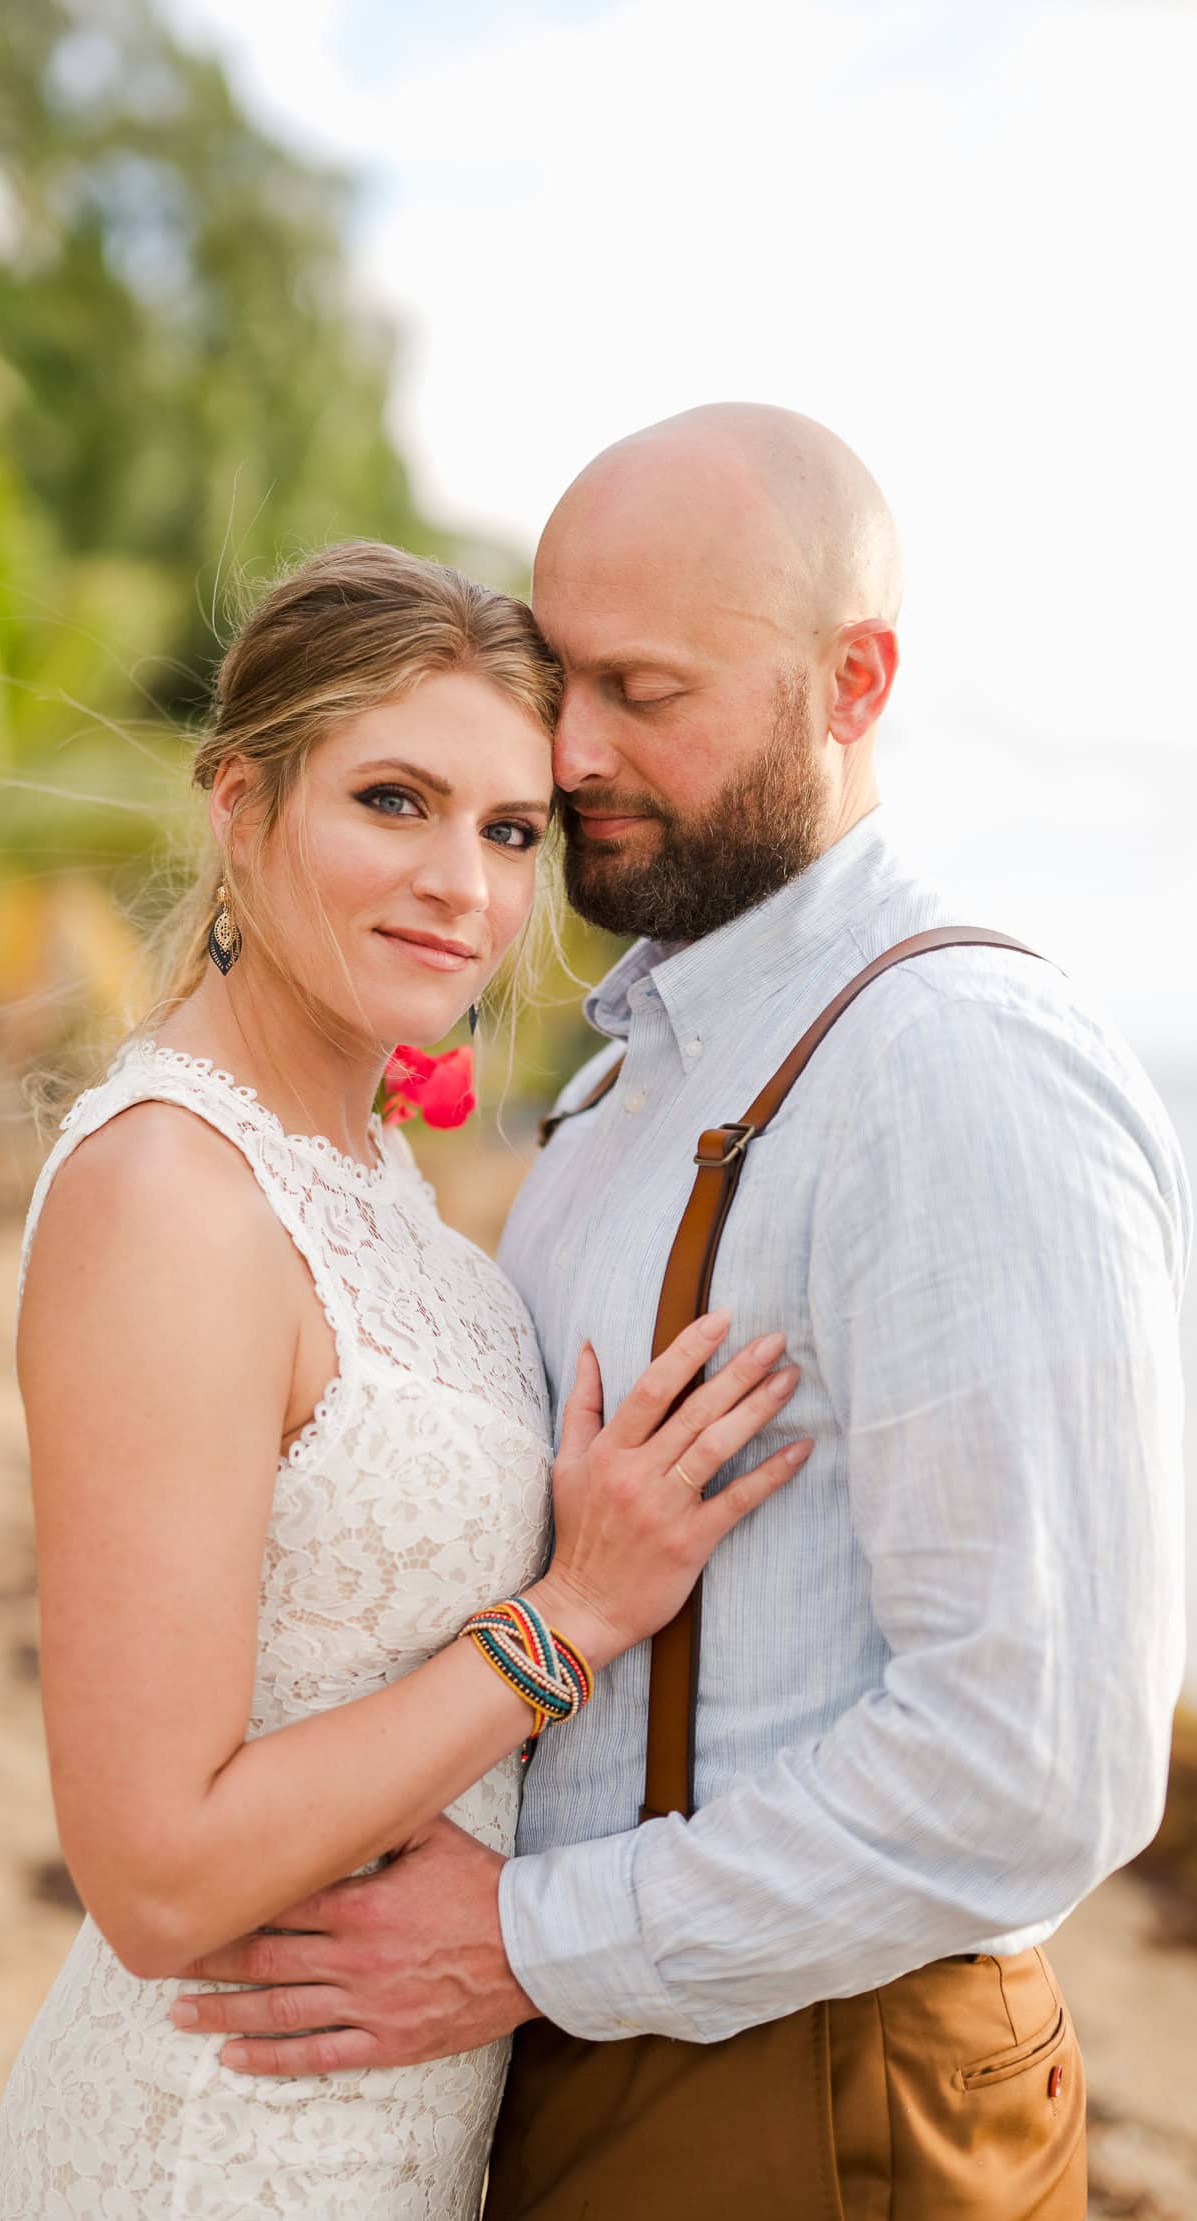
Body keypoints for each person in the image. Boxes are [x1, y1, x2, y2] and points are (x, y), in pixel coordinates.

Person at [171, 410, 1191, 2220]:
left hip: (816, 2083)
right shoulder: (637, 1068)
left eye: (645, 689)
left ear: (852, 683)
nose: (571, 751)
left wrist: (528, 1940)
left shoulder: (955, 1065)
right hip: (585, 2048)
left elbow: (1040, 1763)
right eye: (562, 677)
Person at [0, 540, 810, 2220]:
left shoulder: (365, 1170)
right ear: (241, 803)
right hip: (213, 2139)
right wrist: (569, 1619)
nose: (464, 885)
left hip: (392, 2125)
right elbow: (155, 1870)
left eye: (511, 831)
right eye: (393, 800)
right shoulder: (171, 1195)